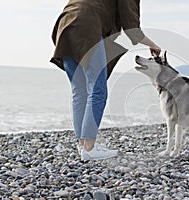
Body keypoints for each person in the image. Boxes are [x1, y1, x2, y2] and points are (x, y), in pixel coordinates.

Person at [50, 0, 161, 161]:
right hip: (88, 26)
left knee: (79, 92)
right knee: (98, 90)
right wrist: (153, 45)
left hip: (65, 26)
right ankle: (89, 148)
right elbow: (132, 30)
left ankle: (83, 145)